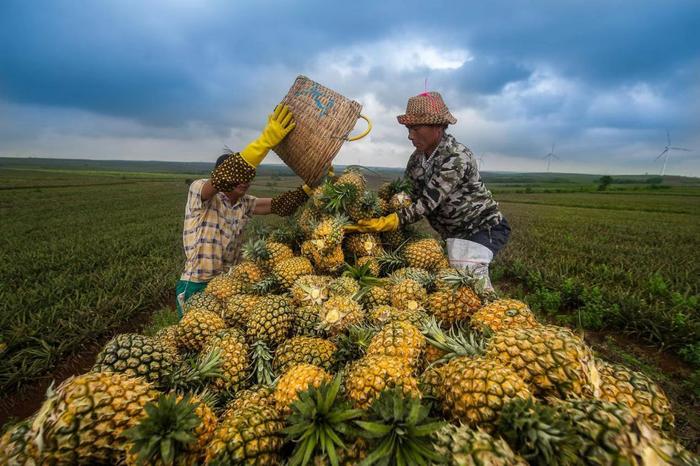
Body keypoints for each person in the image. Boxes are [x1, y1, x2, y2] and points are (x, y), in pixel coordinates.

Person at [347, 92, 510, 290]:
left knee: (473, 285)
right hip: (453, 234)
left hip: (482, 228)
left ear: (438, 127)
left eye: (415, 128)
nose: (410, 135)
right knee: (452, 285)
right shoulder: (417, 159)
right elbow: (407, 194)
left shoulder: (456, 157)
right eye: (408, 128)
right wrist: (375, 206)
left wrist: (388, 222)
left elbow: (426, 202)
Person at [176, 104, 310, 316]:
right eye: (241, 175)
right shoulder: (201, 192)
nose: (245, 181)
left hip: (229, 285)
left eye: (249, 176)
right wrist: (264, 141)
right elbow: (225, 178)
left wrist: (308, 189)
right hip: (196, 283)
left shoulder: (245, 203)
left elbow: (279, 206)